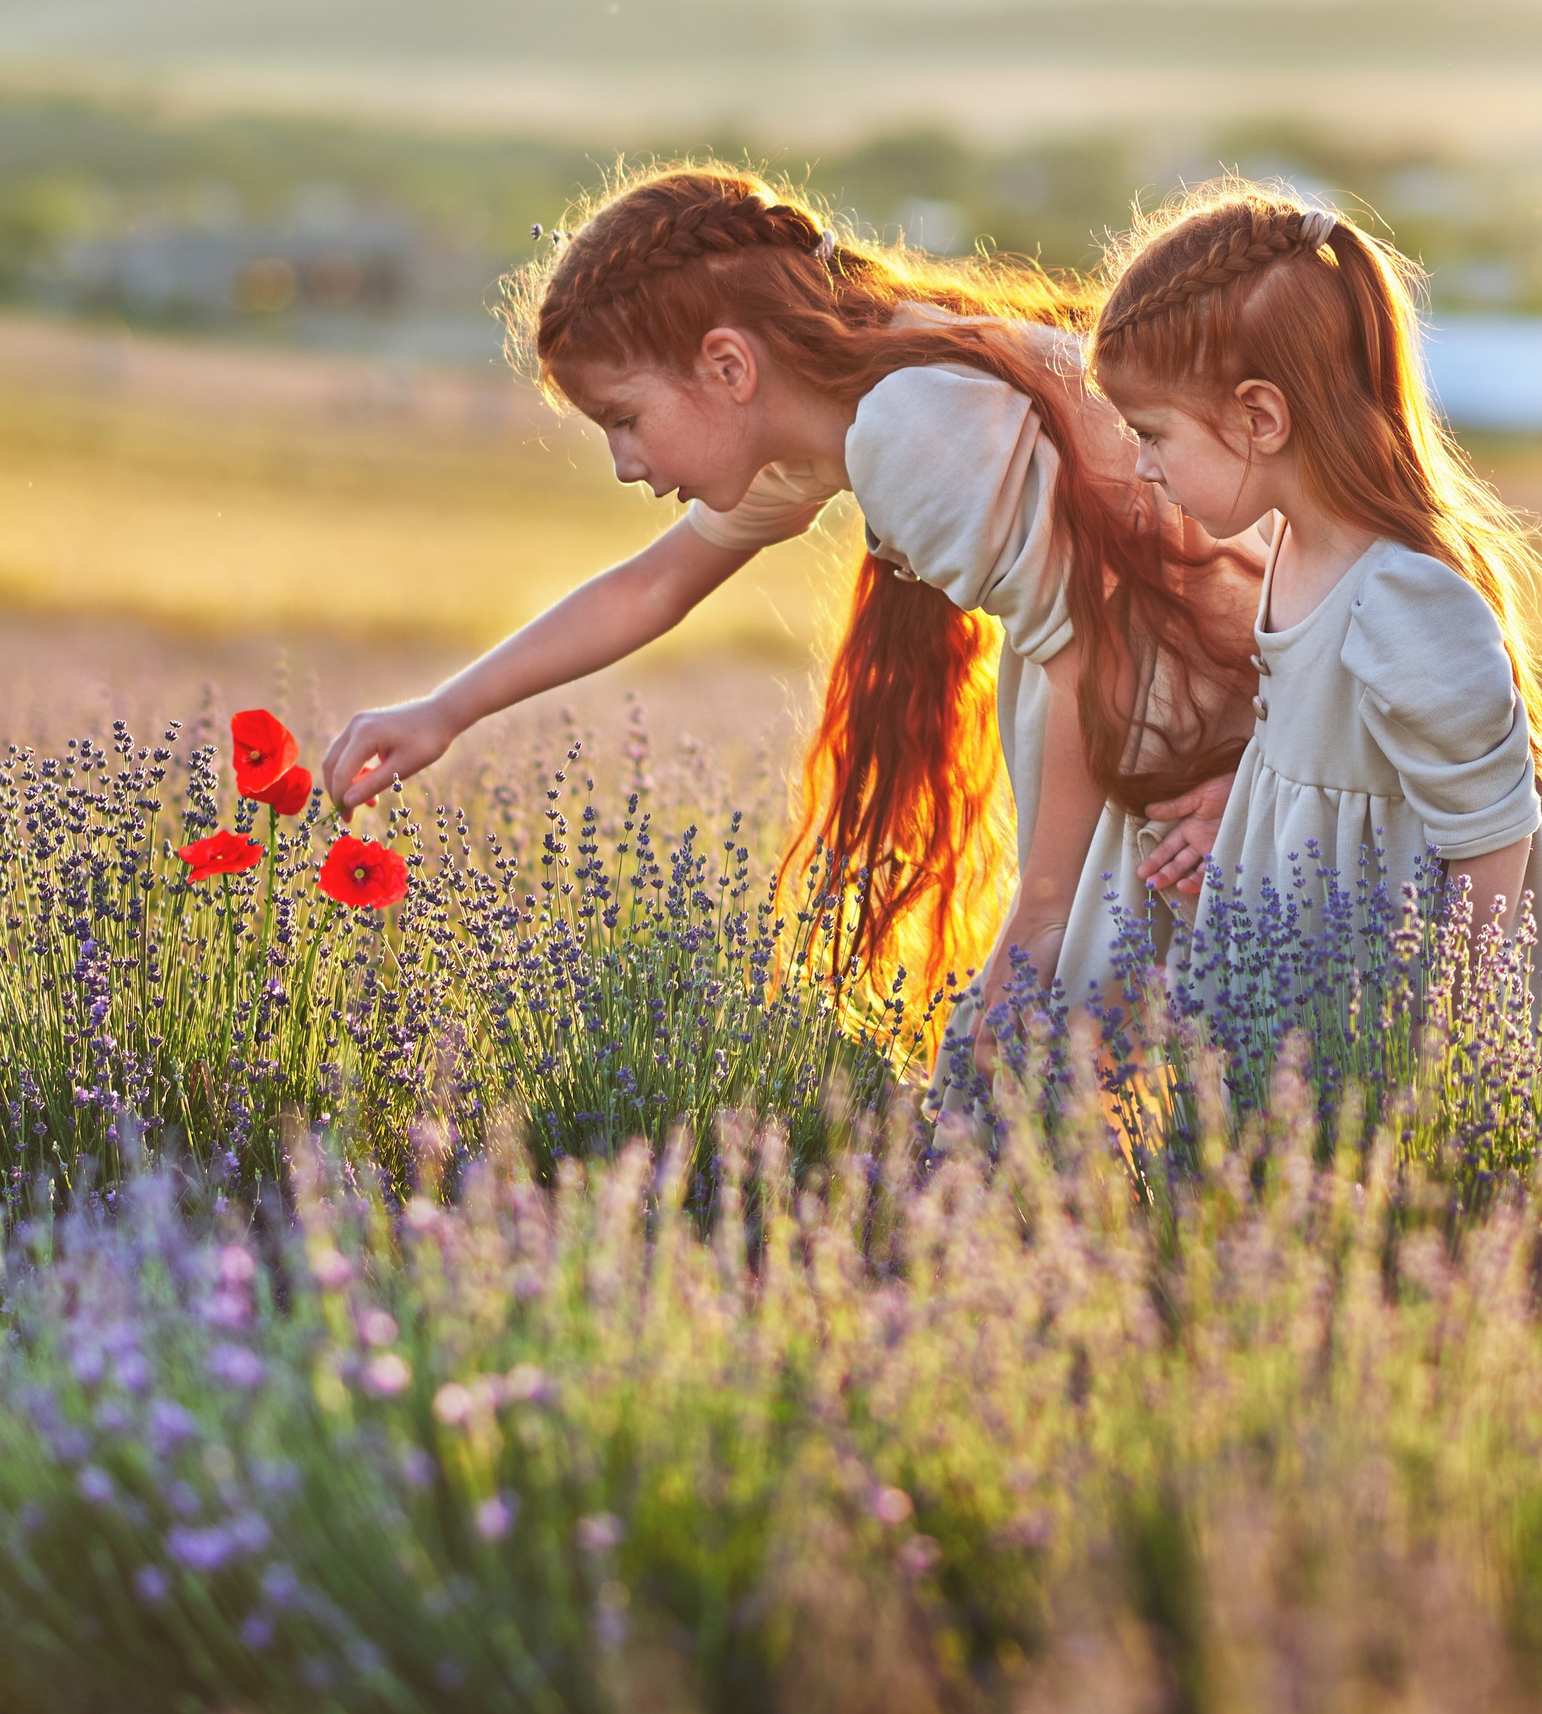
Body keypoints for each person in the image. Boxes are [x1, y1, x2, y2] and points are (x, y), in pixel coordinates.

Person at [320, 162, 1258, 1065]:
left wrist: (1038, 923)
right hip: (1187, 736)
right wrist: (445, 711)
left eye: (624, 418)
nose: (622, 463)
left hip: (1213, 730)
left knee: (1121, 1070)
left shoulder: (909, 428)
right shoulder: (838, 419)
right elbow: (652, 585)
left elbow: (1094, 658)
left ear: (728, 365)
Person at [1086, 181, 1542, 989]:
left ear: (1260, 419)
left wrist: (1448, 1062)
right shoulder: (1291, 542)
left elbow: (1492, 843)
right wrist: (1255, 806)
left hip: (1395, 1031)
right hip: (1302, 986)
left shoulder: (1402, 597)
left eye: (1153, 434)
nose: (1142, 466)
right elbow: (1339, 761)